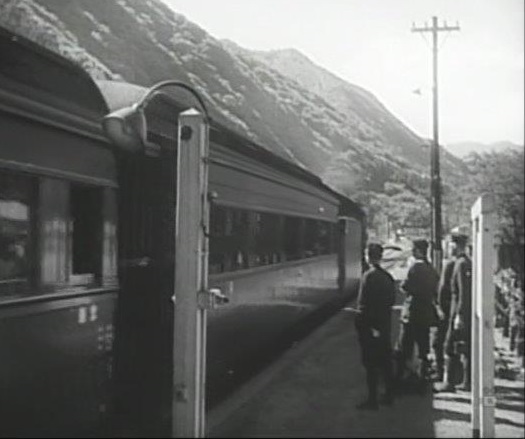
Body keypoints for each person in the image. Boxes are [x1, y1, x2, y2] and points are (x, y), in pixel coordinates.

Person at [355, 243, 396, 410]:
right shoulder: (387, 277)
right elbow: (392, 301)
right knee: (386, 362)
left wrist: (362, 325)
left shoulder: (367, 277)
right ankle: (389, 395)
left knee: (370, 364)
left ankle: (372, 400)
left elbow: (362, 305)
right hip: (384, 326)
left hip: (370, 328)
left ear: (368, 256)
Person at [395, 239, 439, 393]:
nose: (412, 252)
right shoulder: (431, 268)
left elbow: (406, 286)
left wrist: (404, 286)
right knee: (423, 348)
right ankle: (422, 381)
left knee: (404, 348)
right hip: (425, 313)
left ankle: (400, 380)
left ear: (419, 251)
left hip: (412, 313)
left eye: (414, 249)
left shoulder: (415, 268)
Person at [435, 233, 472, 392]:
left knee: (450, 346)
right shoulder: (462, 262)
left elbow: (463, 292)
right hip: (456, 310)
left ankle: (450, 382)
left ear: (456, 245)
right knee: (462, 346)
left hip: (458, 311)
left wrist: (459, 315)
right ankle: (465, 381)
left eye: (450, 245)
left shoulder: (461, 264)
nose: (448, 248)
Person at [432, 240, 456, 382]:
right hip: (453, 309)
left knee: (438, 342)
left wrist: (439, 307)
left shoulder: (450, 265)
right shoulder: (464, 263)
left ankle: (441, 373)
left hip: (446, 310)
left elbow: (442, 289)